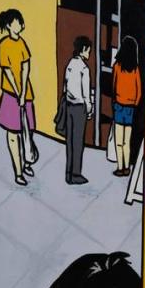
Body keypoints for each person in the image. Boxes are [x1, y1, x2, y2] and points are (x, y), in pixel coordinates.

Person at [0, 9, 35, 186]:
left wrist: (23, 90)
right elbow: (7, 70)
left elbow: (26, 67)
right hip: (11, 94)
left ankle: (26, 161)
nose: (21, 24)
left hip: (25, 95)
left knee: (27, 130)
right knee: (13, 134)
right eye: (17, 22)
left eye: (21, 21)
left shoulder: (22, 43)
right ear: (10, 25)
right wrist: (17, 91)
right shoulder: (4, 44)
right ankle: (18, 171)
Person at [64, 36, 93, 185]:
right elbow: (86, 93)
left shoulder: (70, 64)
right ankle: (76, 173)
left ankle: (68, 173)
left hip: (69, 105)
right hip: (79, 108)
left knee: (69, 141)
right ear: (83, 50)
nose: (89, 53)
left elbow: (66, 85)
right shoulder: (84, 68)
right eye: (88, 50)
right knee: (78, 142)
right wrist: (89, 109)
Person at [111, 36, 141, 177]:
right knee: (126, 141)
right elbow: (139, 90)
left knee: (119, 140)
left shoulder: (116, 66)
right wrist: (134, 103)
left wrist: (116, 100)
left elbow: (113, 84)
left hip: (119, 105)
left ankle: (120, 166)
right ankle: (126, 167)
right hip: (130, 107)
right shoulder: (135, 69)